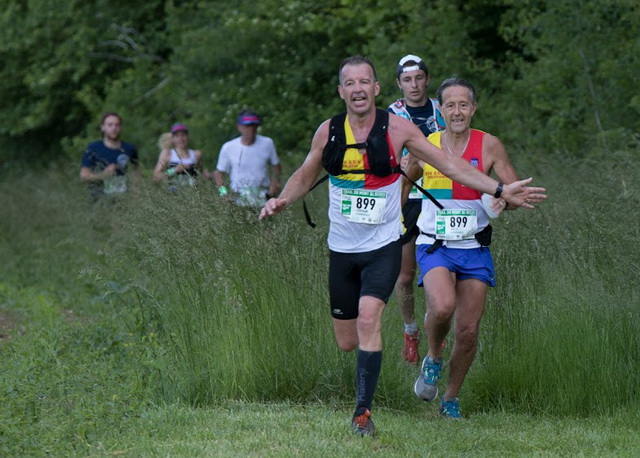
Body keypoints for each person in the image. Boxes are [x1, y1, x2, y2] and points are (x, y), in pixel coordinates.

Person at [259, 56, 546, 437]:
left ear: (377, 88)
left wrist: (498, 190)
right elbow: (308, 171)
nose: (358, 88)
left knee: (378, 318)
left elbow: (452, 165)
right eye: (350, 83)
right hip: (344, 248)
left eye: (365, 81)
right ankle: (413, 360)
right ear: (342, 91)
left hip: (391, 245)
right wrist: (282, 200)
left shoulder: (401, 130)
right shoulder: (328, 131)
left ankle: (366, 413)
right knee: (347, 341)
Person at [409, 77, 525, 419]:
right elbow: (403, 177)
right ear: (440, 110)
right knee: (442, 307)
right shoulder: (425, 144)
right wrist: (396, 223)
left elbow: (510, 191)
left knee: (469, 331)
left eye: (463, 105)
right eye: (450, 105)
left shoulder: (489, 145)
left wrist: (508, 201)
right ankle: (433, 357)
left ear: (473, 109)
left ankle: (451, 399)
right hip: (434, 244)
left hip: (474, 246)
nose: (457, 111)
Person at [388, 54, 445, 365]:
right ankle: (411, 331)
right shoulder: (391, 115)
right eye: (407, 80)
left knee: (440, 270)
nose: (414, 85)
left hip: (440, 196)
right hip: (407, 196)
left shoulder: (443, 109)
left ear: (426, 80)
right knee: (406, 274)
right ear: (399, 84)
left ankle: (436, 325)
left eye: (419, 78)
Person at [213, 110, 282, 207]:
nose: (251, 130)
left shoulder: (267, 143)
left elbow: (277, 167)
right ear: (239, 127)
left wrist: (275, 184)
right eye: (247, 126)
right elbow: (219, 174)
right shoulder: (228, 147)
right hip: (238, 198)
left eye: (254, 126)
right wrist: (223, 193)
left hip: (263, 197)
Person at [80, 112, 140, 199]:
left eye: (117, 125)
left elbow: (136, 175)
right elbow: (84, 176)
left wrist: (137, 197)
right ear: (103, 127)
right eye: (110, 125)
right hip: (99, 200)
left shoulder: (129, 149)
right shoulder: (93, 148)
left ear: (121, 128)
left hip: (124, 201)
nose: (114, 128)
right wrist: (103, 175)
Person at [152, 123, 208, 188]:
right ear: (172, 139)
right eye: (177, 136)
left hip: (194, 194)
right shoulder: (167, 153)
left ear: (188, 137)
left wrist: (214, 175)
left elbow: (203, 173)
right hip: (173, 194)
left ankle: (222, 194)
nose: (181, 139)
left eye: (183, 135)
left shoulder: (196, 154)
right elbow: (156, 176)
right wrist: (174, 170)